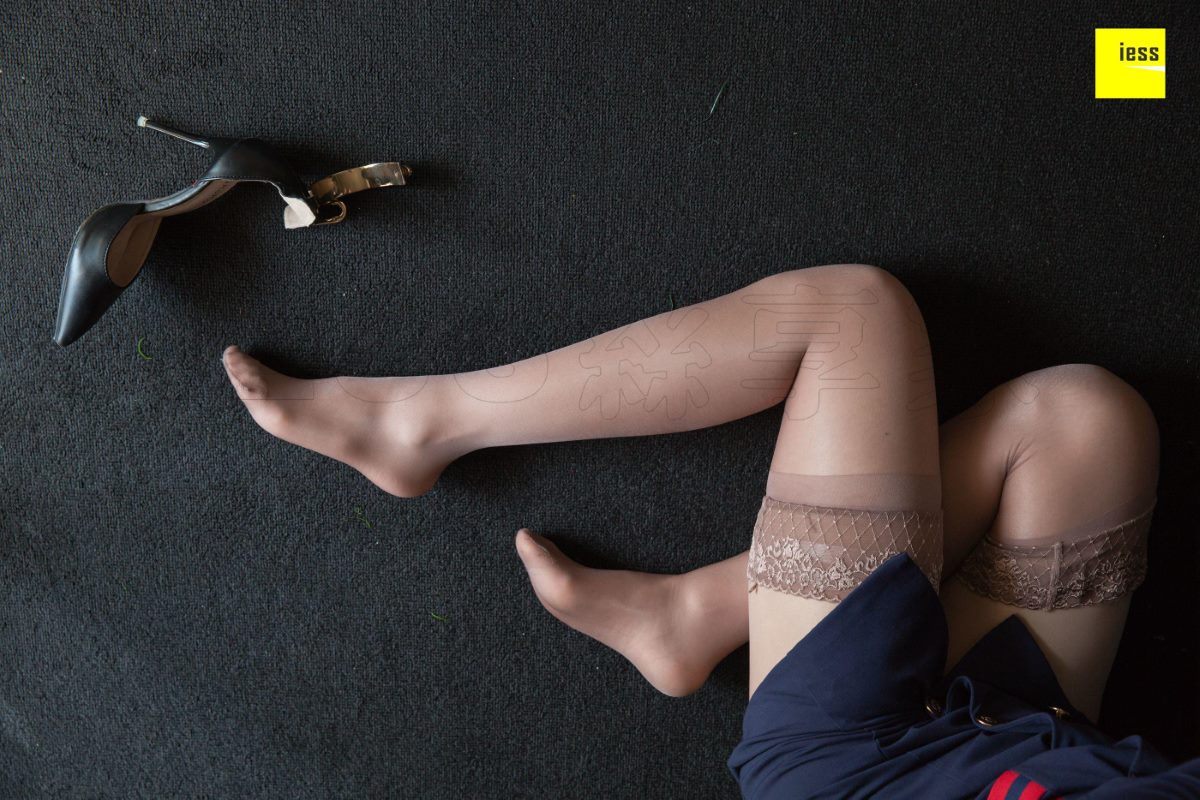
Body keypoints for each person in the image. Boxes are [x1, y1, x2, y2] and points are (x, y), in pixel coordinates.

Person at [221, 263, 1198, 797]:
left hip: (857, 768)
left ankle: (419, 426)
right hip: (1035, 737)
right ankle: (694, 613)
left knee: (849, 316)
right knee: (1084, 421)